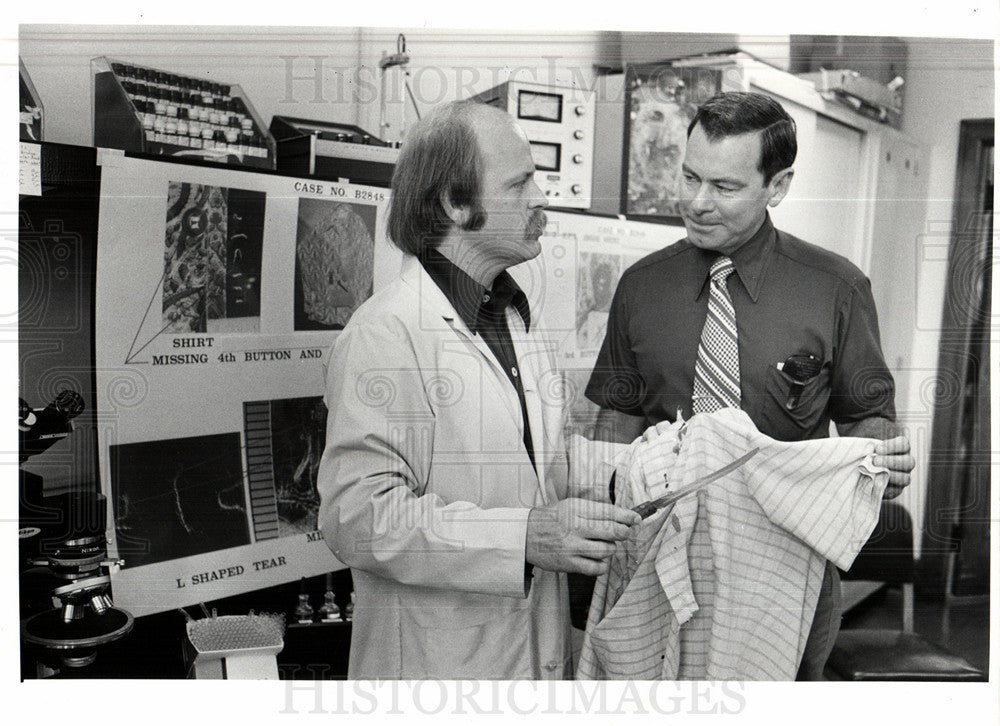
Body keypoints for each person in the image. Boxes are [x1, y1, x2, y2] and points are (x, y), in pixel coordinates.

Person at [585, 91, 915, 680]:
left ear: (778, 185)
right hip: (660, 564)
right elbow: (616, 421)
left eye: (725, 187)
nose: (696, 202)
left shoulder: (836, 288)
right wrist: (599, 502)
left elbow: (868, 421)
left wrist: (882, 457)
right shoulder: (641, 286)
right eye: (689, 177)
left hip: (787, 575)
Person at [316, 101, 639, 680]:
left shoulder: (513, 318)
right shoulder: (385, 333)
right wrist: (524, 536)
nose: (542, 198)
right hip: (436, 668)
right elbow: (359, 518)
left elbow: (546, 467)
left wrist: (649, 467)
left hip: (531, 651)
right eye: (521, 184)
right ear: (455, 204)